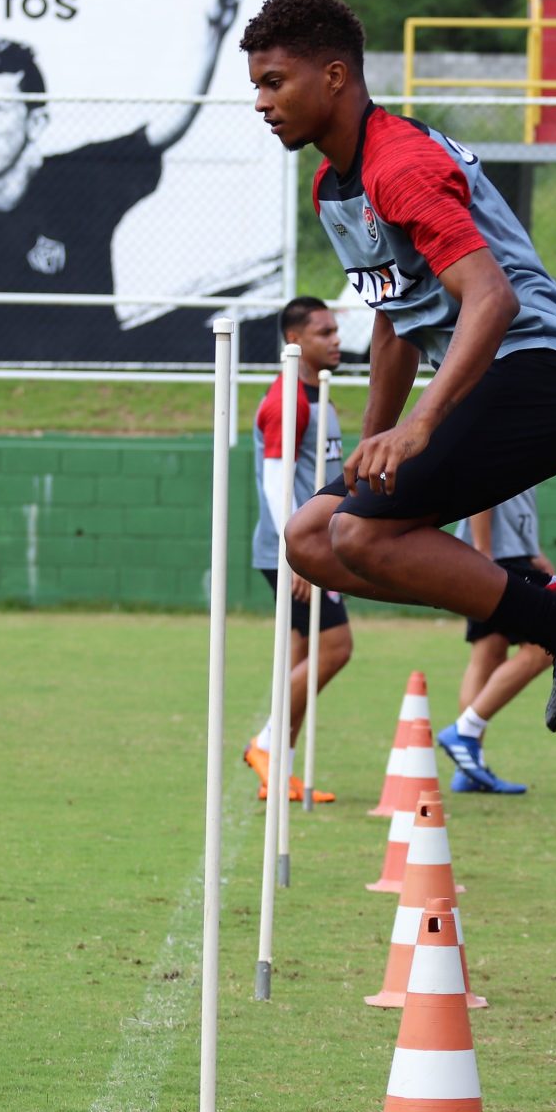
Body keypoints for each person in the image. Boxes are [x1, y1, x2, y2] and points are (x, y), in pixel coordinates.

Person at [240, 0, 556, 779]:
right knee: (311, 538)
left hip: (545, 374)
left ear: (335, 76)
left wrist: (420, 427)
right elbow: (396, 323)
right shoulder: (335, 186)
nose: (261, 102)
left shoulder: (399, 165)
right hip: (492, 380)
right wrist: (371, 450)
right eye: (257, 85)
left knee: (360, 536)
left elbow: (492, 298)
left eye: (274, 82)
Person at [0, 0, 239, 363]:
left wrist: (213, 36)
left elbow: (165, 129)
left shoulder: (80, 179)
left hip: (87, 372)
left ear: (36, 122)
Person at [242, 297, 350, 804]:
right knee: (337, 648)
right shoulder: (288, 399)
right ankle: (265, 745)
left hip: (314, 547)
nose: (336, 339)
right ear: (294, 340)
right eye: (323, 332)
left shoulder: (318, 392)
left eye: (335, 330)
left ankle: (279, 769)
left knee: (304, 654)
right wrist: (296, 552)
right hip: (296, 550)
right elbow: (274, 480)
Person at [438, 488, 556, 795]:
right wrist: (483, 551)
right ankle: (464, 731)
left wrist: (531, 550)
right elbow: (482, 482)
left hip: (507, 552)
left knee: (488, 653)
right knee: (545, 647)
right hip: (498, 556)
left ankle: (468, 766)